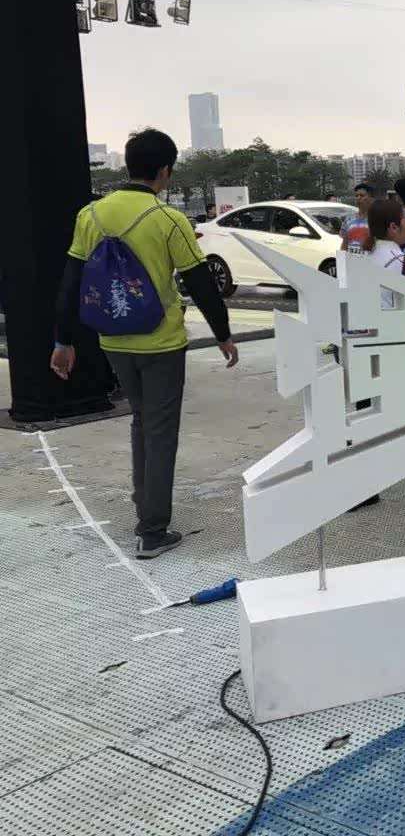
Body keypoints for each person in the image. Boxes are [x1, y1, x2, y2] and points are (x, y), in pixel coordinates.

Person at [50, 129, 239, 559]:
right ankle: (152, 530)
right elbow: (200, 283)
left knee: (141, 421)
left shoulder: (90, 215)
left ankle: (145, 506)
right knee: (160, 431)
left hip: (113, 340)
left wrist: (63, 340)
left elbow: (70, 284)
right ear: (165, 170)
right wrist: (223, 334)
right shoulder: (168, 220)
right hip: (161, 343)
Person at [340, 183, 376, 251]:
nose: (358, 198)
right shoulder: (348, 220)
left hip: (371, 257)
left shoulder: (377, 220)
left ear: (371, 199)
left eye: (362, 195)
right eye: (356, 196)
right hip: (351, 257)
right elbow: (344, 244)